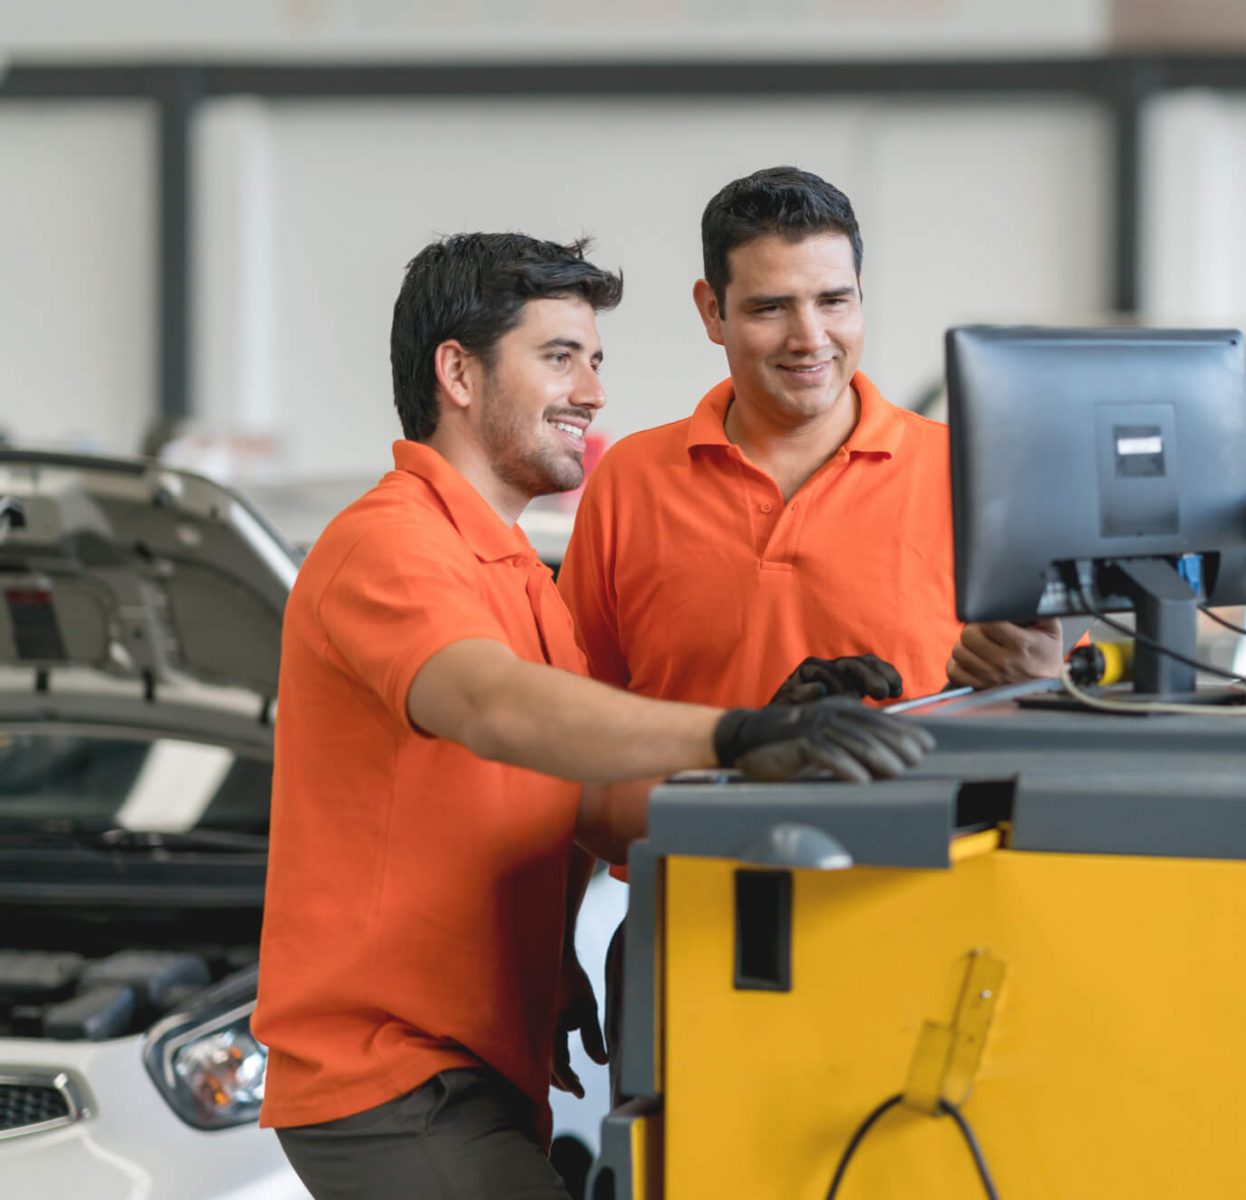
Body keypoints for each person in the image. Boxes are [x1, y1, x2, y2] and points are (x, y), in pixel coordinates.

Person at [254, 232, 930, 1200]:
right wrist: (732, 733)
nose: (595, 393)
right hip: (386, 1074)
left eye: (596, 361)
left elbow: (598, 802)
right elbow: (494, 707)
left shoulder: (521, 575)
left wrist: (771, 736)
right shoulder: (388, 545)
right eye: (560, 357)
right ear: (458, 372)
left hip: (479, 1063)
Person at [558, 165, 1061, 845]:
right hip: (692, 892)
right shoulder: (630, 480)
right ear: (713, 311)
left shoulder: (976, 473)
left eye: (833, 301)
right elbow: (575, 739)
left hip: (922, 893)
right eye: (771, 307)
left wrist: (1044, 685)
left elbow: (1058, 738)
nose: (809, 337)